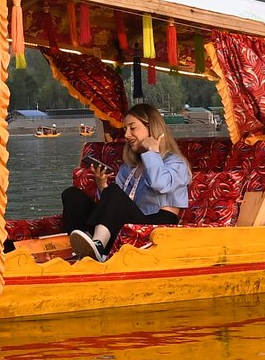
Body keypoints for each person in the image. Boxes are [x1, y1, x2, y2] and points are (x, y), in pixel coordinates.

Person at [65, 103, 191, 261]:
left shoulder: (176, 163)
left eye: (132, 128)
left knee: (113, 192)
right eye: (125, 129)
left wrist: (152, 152)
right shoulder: (129, 168)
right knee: (72, 195)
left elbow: (160, 183)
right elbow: (117, 205)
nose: (126, 135)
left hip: (156, 225)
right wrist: (102, 185)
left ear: (151, 128)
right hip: (129, 222)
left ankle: (98, 246)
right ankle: (83, 245)